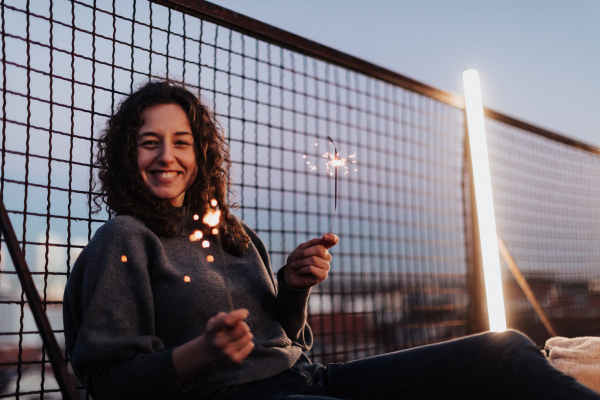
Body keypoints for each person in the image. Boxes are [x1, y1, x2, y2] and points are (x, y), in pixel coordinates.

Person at [63, 81, 600, 400]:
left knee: (503, 348)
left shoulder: (231, 232)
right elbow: (109, 382)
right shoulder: (124, 238)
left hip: (310, 378)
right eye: (149, 143)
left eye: (181, 142)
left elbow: (289, 334)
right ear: (127, 156)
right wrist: (202, 352)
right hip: (242, 397)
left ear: (199, 152)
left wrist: (293, 288)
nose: (167, 156)